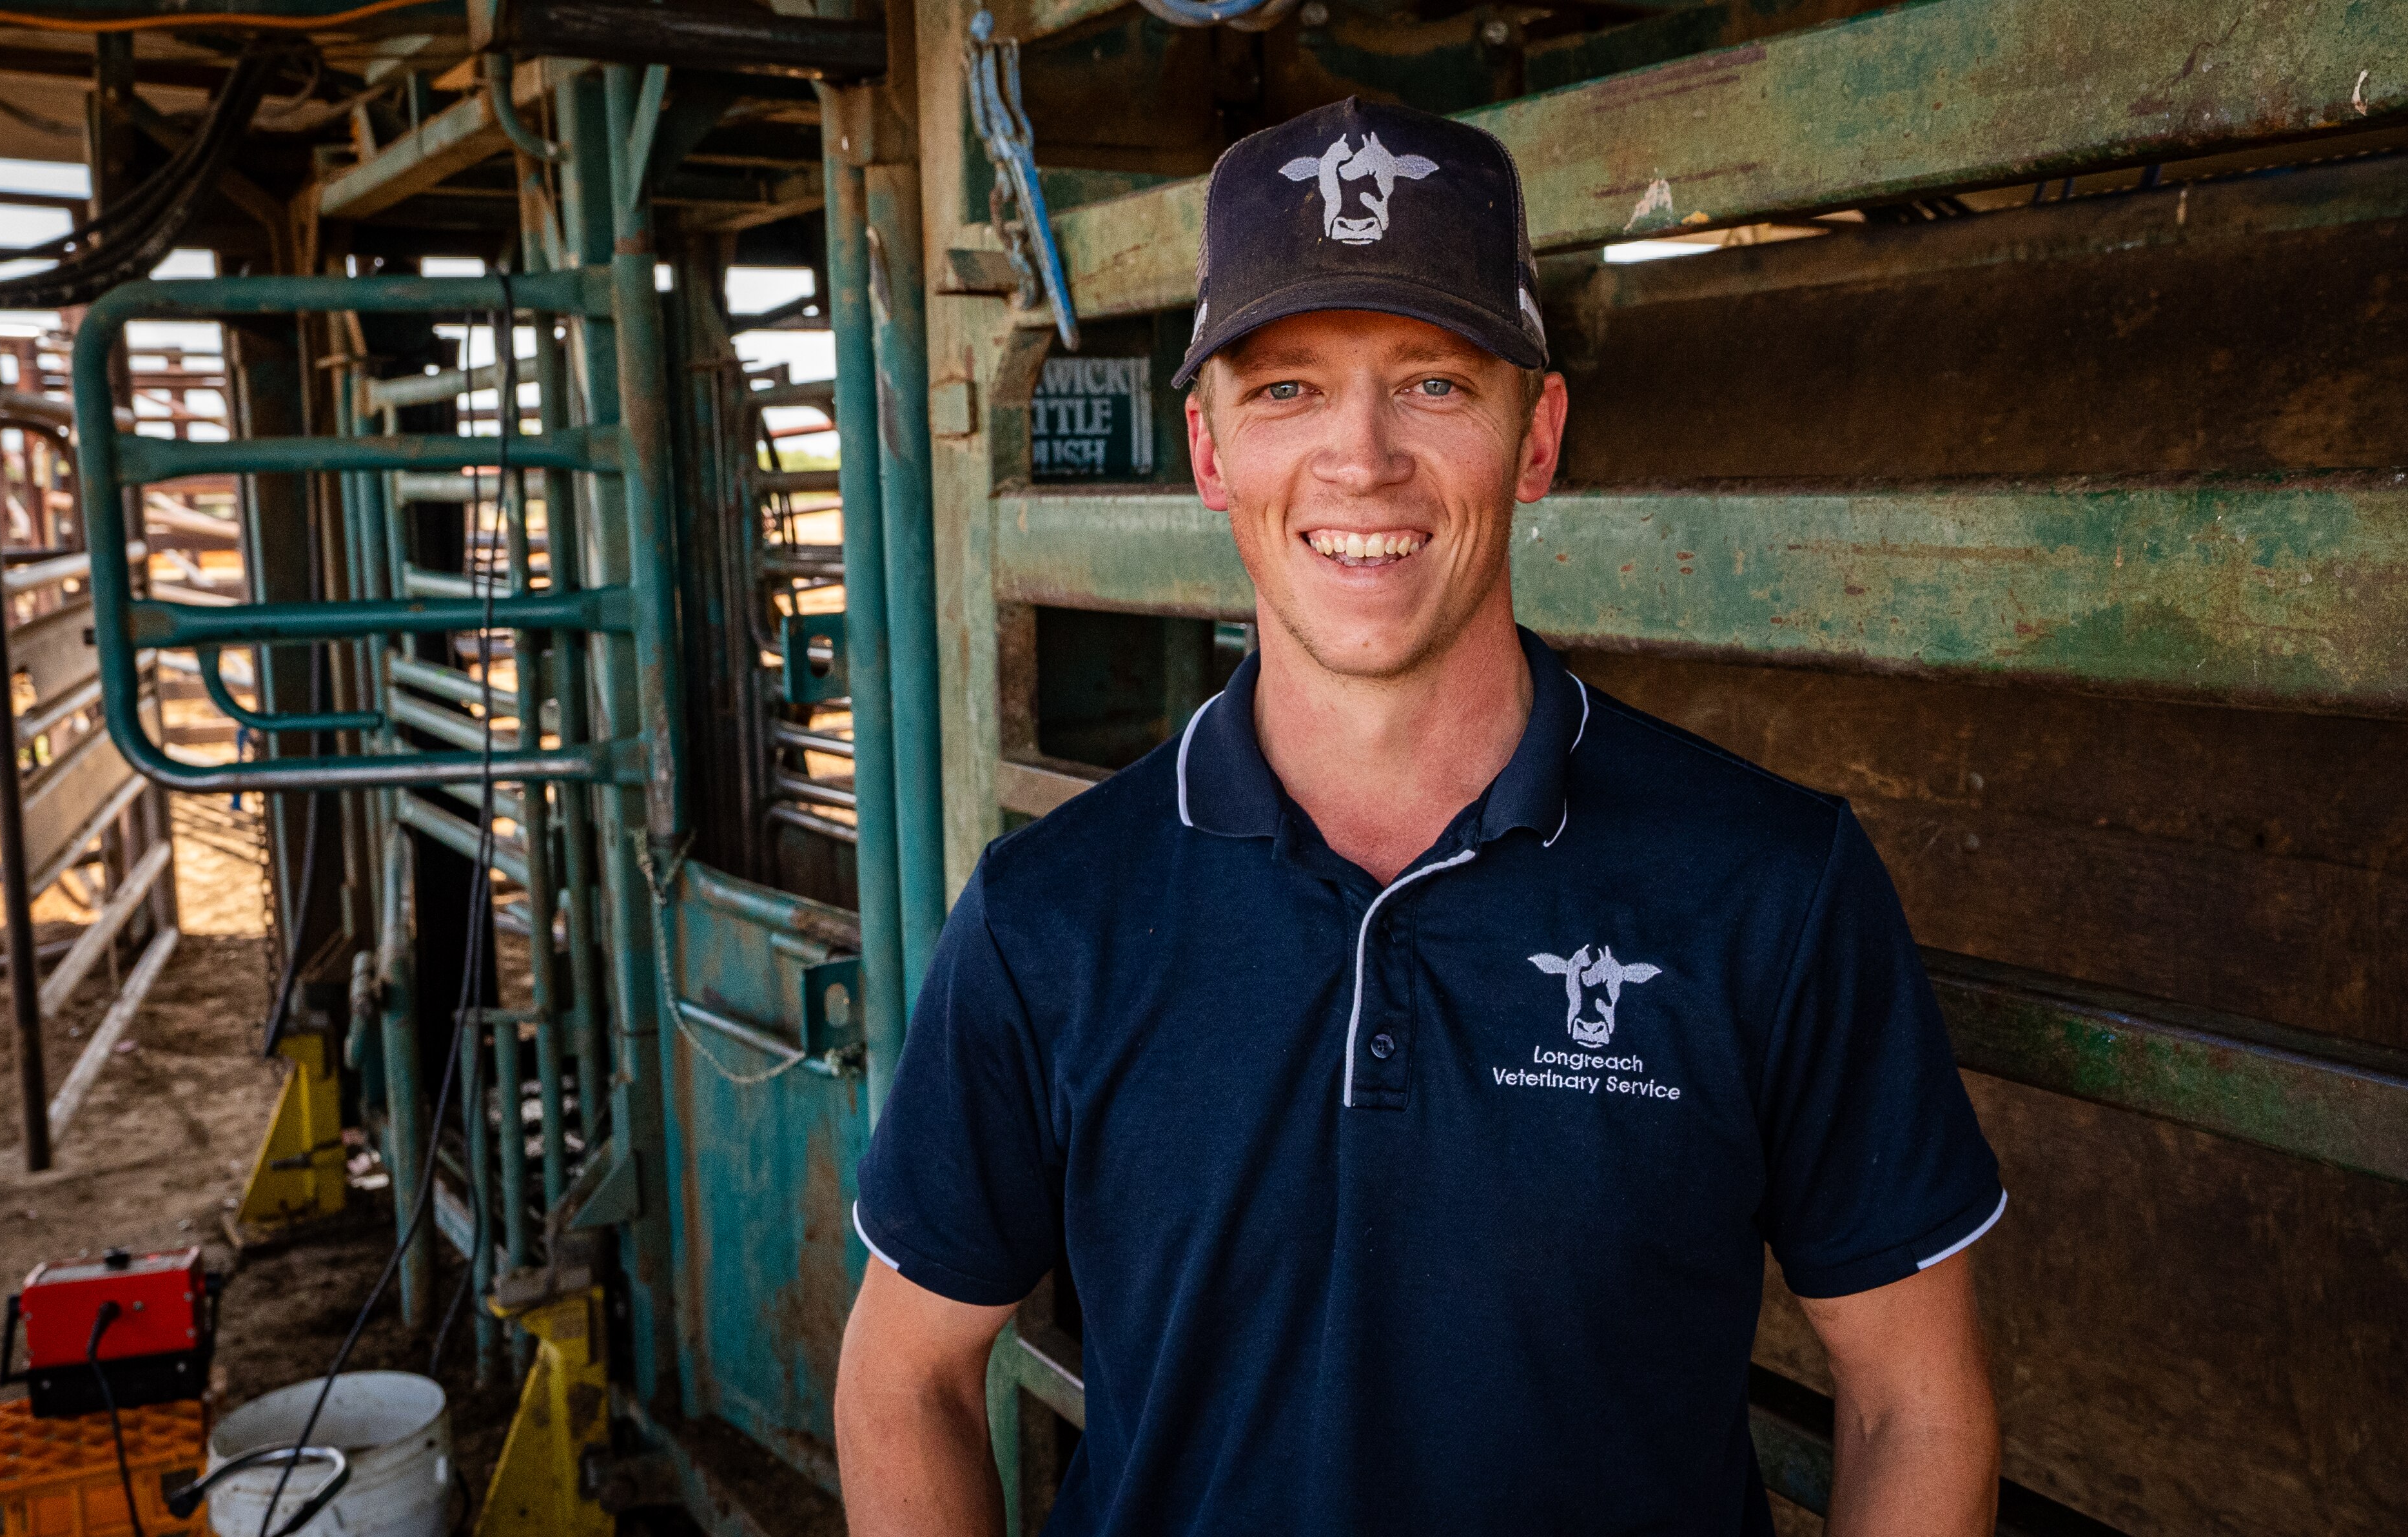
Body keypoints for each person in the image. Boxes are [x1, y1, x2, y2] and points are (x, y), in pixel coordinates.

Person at [836, 96, 2005, 1536]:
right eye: (1284, 391)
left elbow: (1912, 1401)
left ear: (1537, 436)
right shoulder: (1050, 912)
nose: (1361, 460)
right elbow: (905, 1380)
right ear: (1208, 459)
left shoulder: (1768, 884)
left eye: (1435, 383)